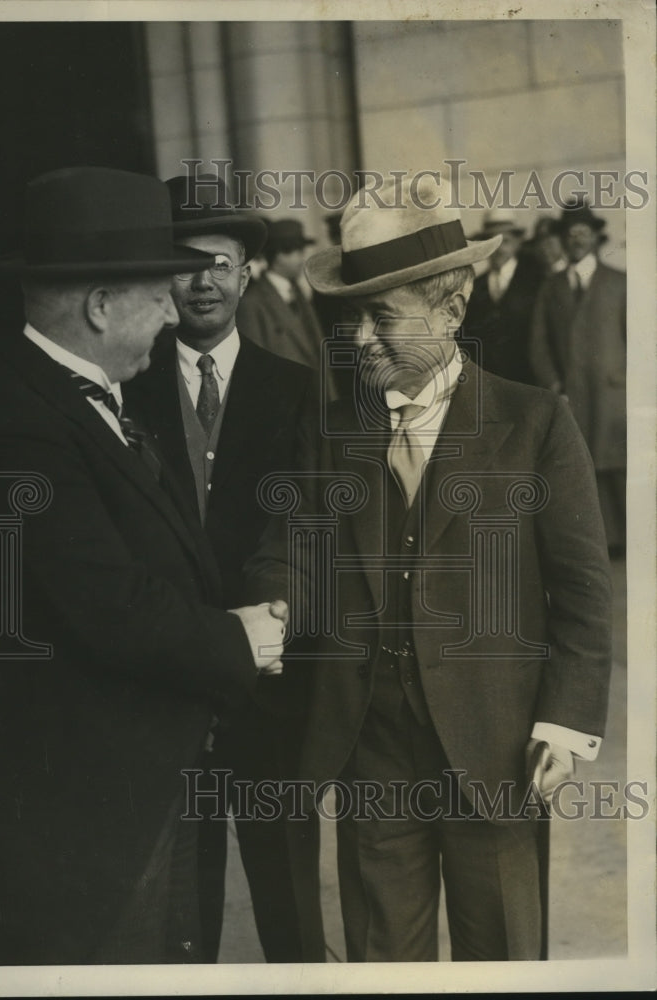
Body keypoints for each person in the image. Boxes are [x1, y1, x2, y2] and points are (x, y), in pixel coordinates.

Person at [246, 174, 612, 962]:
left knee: (503, 954)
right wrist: (268, 608)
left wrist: (564, 723)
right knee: (384, 956)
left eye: (382, 317)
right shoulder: (332, 426)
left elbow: (583, 592)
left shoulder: (534, 422)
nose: (360, 340)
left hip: (497, 746)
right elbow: (294, 543)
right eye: (349, 320)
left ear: (453, 309)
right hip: (371, 743)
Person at [0, 166, 286, 966]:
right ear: (99, 306)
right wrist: (240, 640)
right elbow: (103, 600)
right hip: (82, 805)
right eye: (158, 293)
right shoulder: (14, 424)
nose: (175, 311)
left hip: (140, 776)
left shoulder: (69, 397)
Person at [125, 173, 326, 962]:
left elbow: (311, 527)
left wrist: (270, 627)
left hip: (272, 691)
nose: (201, 281)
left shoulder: (297, 391)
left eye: (219, 263)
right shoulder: (124, 391)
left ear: (247, 272)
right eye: (183, 263)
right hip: (165, 686)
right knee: (179, 909)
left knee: (292, 912)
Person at [530, 199, 626, 556]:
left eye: (584, 233)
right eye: (571, 235)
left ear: (595, 237)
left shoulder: (619, 283)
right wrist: (555, 386)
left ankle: (634, 540)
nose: (578, 240)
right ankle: (604, 543)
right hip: (573, 396)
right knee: (584, 469)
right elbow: (539, 346)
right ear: (563, 240)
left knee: (620, 466)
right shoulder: (551, 288)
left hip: (616, 396)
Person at [462, 209, 545, 384]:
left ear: (517, 243)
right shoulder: (475, 286)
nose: (499, 250)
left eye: (505, 241)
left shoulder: (536, 281)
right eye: (492, 242)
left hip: (529, 381)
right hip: (490, 383)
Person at [237, 218, 326, 376]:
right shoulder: (251, 303)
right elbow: (255, 367)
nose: (301, 259)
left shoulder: (299, 294)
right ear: (277, 255)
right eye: (296, 252)